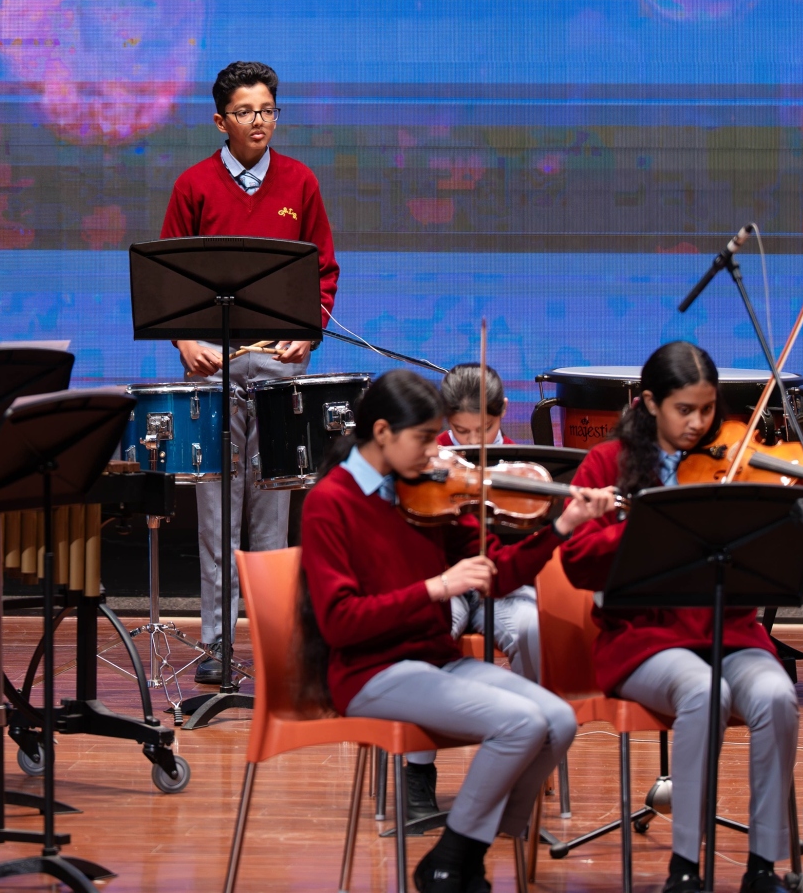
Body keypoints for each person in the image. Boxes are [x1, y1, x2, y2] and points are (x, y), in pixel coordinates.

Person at [300, 370, 619, 893]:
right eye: (426, 439)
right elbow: (339, 621)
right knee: (520, 723)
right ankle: (453, 860)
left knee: (559, 720)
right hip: (369, 671)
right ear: (382, 432)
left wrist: (561, 527)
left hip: (435, 661)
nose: (438, 453)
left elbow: (500, 576)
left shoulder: (429, 494)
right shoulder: (331, 501)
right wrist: (435, 587)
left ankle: (462, 856)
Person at [560, 342, 798, 893]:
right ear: (650, 403)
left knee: (776, 696)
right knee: (704, 692)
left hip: (728, 632)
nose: (697, 424)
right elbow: (576, 560)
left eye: (707, 409)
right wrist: (645, 529)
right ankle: (685, 868)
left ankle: (763, 867)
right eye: (683, 410)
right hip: (642, 639)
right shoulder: (608, 463)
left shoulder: (732, 465)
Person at [160, 60, 340, 685]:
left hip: (278, 370)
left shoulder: (300, 182)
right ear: (220, 121)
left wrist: (307, 331)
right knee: (216, 517)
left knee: (271, 518)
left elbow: (323, 272)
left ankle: (271, 644)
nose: (258, 121)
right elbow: (167, 278)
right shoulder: (193, 186)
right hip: (213, 369)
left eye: (267, 110)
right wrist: (185, 340)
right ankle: (216, 646)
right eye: (245, 112)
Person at [402, 363, 543, 823]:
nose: (471, 441)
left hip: (506, 586)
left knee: (532, 628)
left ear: (503, 412)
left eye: (483, 430)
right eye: (460, 431)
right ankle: (418, 770)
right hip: (450, 584)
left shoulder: (524, 465)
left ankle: (523, 764)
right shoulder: (429, 460)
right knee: (425, 634)